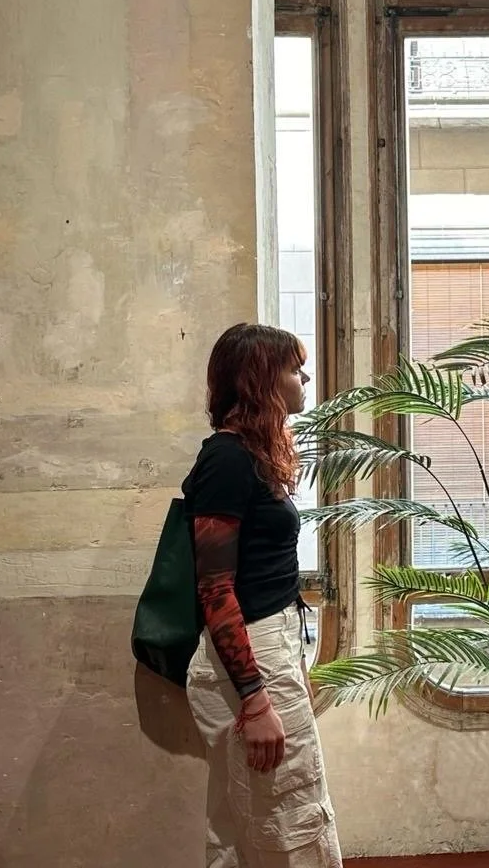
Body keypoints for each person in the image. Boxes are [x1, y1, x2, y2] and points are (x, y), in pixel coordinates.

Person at [183, 323, 341, 867]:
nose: (305, 379)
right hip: (252, 656)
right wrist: (255, 699)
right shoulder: (226, 460)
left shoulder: (248, 456)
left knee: (245, 830)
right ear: (260, 380)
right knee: (291, 827)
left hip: (266, 649)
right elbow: (214, 589)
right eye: (294, 368)